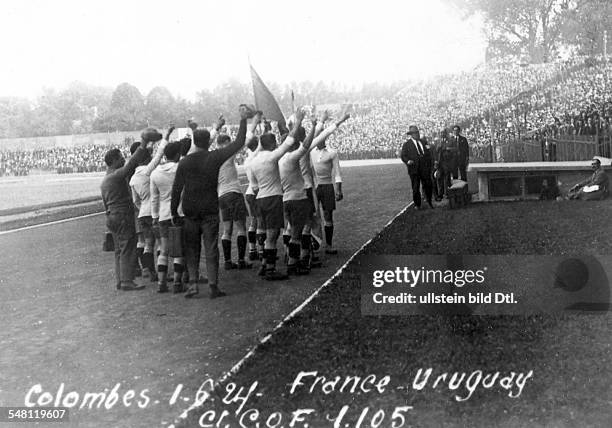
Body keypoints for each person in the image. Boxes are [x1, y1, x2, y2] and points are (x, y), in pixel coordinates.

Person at [170, 105, 254, 298]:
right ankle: (213, 285)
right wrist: (243, 119)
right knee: (210, 247)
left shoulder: (184, 162)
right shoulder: (214, 157)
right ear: (209, 142)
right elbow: (239, 142)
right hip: (209, 208)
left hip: (189, 210)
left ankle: (192, 284)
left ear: (194, 142)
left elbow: (176, 189)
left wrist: (174, 211)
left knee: (192, 249)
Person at [249, 112, 306, 280]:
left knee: (267, 234)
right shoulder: (273, 156)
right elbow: (290, 140)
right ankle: (271, 269)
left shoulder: (253, 160)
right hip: (273, 197)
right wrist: (299, 121)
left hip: (260, 197)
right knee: (273, 235)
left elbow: (254, 185)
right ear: (273, 143)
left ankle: (266, 265)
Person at [101, 138, 153, 291]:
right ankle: (126, 281)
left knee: (119, 250)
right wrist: (143, 145)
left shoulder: (105, 180)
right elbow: (132, 163)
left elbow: (105, 204)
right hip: (122, 215)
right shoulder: (116, 176)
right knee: (127, 248)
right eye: (120, 157)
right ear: (114, 160)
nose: (124, 159)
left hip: (111, 216)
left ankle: (121, 280)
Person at [129, 126, 173, 283]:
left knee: (148, 244)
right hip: (155, 211)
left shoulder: (133, 178)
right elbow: (160, 154)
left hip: (142, 214)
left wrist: (142, 209)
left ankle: (151, 272)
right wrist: (166, 136)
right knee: (161, 243)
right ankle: (164, 274)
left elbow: (135, 200)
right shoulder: (148, 170)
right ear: (147, 159)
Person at [310, 109, 351, 255]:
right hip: (315, 187)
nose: (320, 139)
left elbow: (337, 174)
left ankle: (328, 245)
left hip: (327, 186)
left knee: (328, 216)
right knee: (313, 216)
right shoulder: (310, 152)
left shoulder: (332, 153)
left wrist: (338, 189)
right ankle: (313, 245)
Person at [217, 117, 253, 271]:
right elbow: (245, 139)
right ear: (225, 143)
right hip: (233, 192)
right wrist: (255, 122)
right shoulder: (227, 155)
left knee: (226, 230)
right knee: (240, 228)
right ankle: (241, 260)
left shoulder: (214, 157)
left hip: (221, 196)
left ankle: (227, 261)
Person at [150, 141, 186, 293]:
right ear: (177, 154)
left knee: (163, 250)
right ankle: (178, 282)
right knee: (179, 249)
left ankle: (161, 283)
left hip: (163, 215)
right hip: (179, 212)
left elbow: (154, 198)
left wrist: (154, 216)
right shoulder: (181, 168)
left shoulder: (155, 173)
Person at [400, 125, 434, 209]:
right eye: (415, 133)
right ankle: (417, 204)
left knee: (428, 185)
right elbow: (403, 156)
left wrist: (428, 163)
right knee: (415, 187)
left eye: (417, 132)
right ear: (411, 134)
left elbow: (429, 153)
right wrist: (408, 161)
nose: (417, 134)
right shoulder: (407, 144)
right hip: (414, 169)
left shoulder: (423, 142)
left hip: (424, 168)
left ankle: (429, 202)